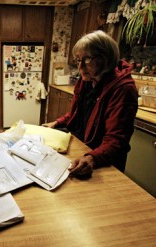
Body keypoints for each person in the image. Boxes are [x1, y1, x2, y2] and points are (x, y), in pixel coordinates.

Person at [43, 30, 138, 177]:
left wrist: (92, 158)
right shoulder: (86, 80)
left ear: (105, 58)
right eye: (78, 60)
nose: (80, 67)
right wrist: (56, 123)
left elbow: (116, 140)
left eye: (87, 60)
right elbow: (77, 114)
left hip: (102, 160)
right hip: (80, 146)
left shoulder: (123, 89)